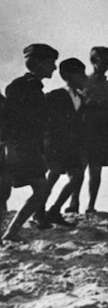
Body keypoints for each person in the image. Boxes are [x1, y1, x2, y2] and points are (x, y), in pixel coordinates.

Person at [2, 45, 64, 240]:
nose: (54, 68)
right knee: (40, 189)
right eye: (50, 63)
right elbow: (14, 118)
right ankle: (11, 232)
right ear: (37, 63)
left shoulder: (29, 86)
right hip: (23, 145)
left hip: (27, 145)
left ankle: (11, 231)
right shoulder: (23, 87)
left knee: (20, 189)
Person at [77, 46, 108, 215]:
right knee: (79, 166)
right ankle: (73, 202)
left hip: (102, 126)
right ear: (93, 61)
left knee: (95, 169)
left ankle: (90, 205)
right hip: (84, 125)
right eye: (101, 60)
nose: (105, 64)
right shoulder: (82, 82)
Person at [41, 58, 90, 223]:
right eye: (80, 73)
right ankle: (39, 210)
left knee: (77, 177)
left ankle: (54, 210)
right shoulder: (55, 95)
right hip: (56, 143)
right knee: (52, 177)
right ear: (67, 75)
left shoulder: (81, 98)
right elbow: (46, 121)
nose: (84, 77)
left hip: (72, 145)